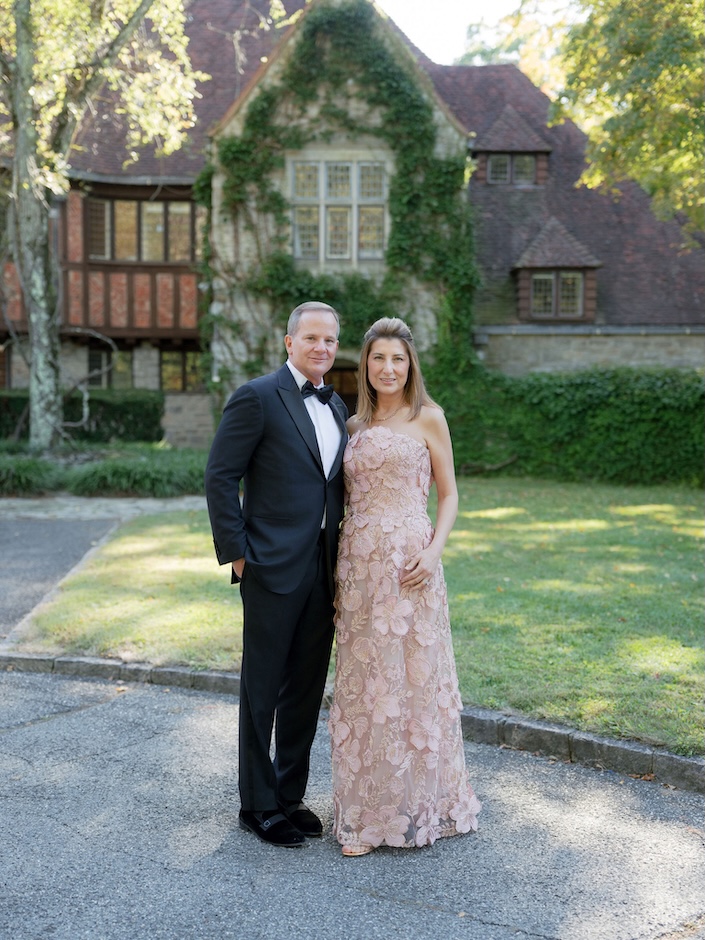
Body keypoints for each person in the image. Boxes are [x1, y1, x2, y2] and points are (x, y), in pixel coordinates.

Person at [329, 317, 481, 857]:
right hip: (358, 568)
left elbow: (450, 495)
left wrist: (435, 550)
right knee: (368, 682)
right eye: (378, 359)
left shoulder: (429, 418)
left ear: (410, 364)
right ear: (365, 365)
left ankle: (424, 803)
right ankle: (370, 815)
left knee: (413, 680)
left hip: (411, 563)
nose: (388, 368)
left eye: (397, 359)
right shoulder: (353, 426)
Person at [205, 301, 348, 848]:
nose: (321, 348)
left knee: (305, 690)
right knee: (261, 690)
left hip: (323, 566)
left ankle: (290, 796)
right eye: (311, 338)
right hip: (269, 565)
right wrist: (238, 554)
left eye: (330, 340)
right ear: (288, 342)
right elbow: (221, 477)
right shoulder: (256, 397)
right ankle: (257, 804)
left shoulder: (336, 408)